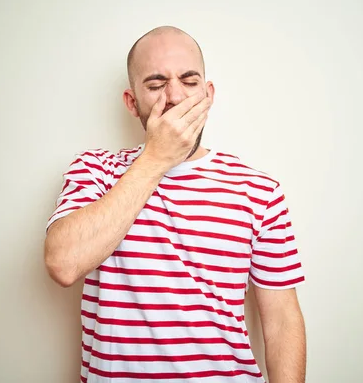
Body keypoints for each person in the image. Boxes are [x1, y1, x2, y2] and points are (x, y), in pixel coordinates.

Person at [44, 26, 306, 383]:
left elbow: (281, 319)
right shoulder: (95, 171)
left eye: (189, 80)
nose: (175, 96)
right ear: (132, 102)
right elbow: (63, 264)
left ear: (208, 94)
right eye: (155, 84)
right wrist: (155, 159)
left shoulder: (258, 190)